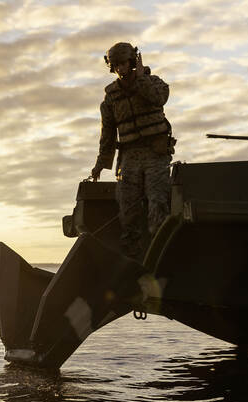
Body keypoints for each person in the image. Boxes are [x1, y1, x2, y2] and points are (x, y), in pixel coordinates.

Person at [91, 42, 175, 260]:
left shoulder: (154, 83)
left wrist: (140, 78)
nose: (120, 68)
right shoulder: (111, 98)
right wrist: (101, 163)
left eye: (123, 63)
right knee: (127, 207)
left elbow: (159, 98)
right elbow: (108, 134)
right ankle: (132, 257)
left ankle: (161, 256)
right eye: (115, 64)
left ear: (132, 61)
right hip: (129, 156)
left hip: (155, 154)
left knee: (157, 203)